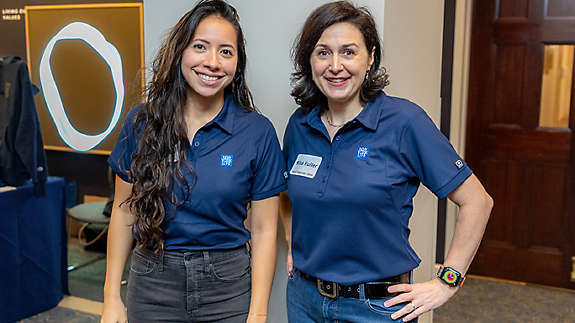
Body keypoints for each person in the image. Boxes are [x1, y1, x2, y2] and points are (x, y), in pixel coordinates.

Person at [280, 1, 493, 322]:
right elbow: (286, 192)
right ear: (309, 60)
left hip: (377, 308)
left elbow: (478, 201)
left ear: (371, 58)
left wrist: (447, 282)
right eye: (323, 52)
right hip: (304, 300)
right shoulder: (300, 124)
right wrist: (292, 242)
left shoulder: (404, 122)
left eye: (349, 52)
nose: (335, 65)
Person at [101, 1, 286, 322]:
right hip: (151, 282)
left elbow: (265, 229)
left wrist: (258, 313)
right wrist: (111, 297)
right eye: (200, 47)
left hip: (227, 287)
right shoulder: (141, 122)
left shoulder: (257, 132)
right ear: (180, 53)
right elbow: (123, 213)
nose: (213, 62)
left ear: (238, 63)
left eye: (226, 52)